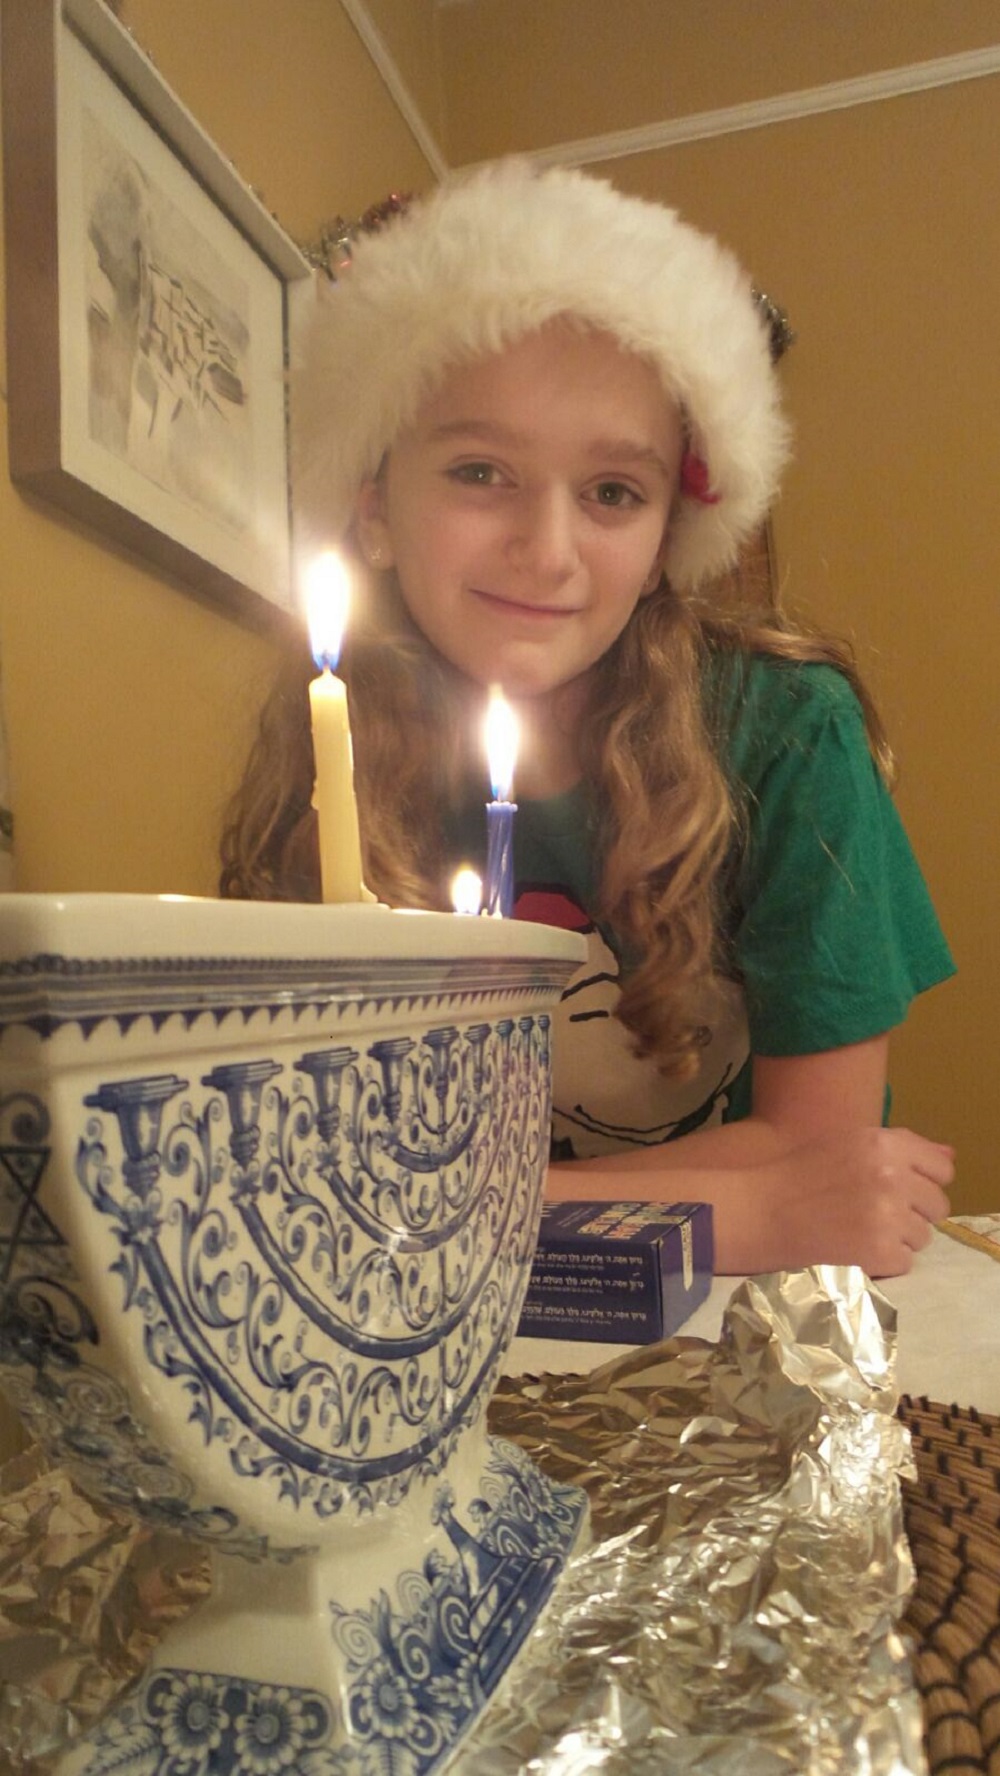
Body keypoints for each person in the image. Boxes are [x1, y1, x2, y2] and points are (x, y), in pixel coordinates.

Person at [220, 160, 955, 1278]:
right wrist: (739, 1210)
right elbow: (299, 1168)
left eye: (612, 491)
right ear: (373, 510)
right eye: (480, 470)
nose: (547, 550)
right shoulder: (329, 744)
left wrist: (455, 1207)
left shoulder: (780, 731)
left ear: (670, 529)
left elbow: (827, 1149)